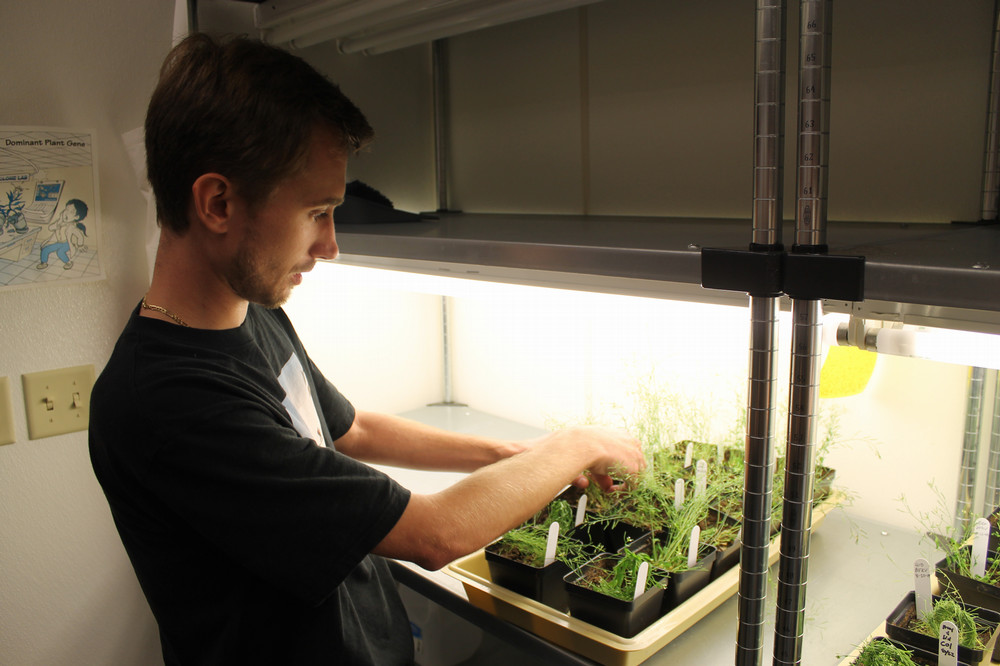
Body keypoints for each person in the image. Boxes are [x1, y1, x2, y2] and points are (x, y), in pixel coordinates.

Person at [88, 33, 644, 666]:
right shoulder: (166, 399)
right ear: (218, 202)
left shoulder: (248, 309)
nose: (330, 245)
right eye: (317, 211)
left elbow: (346, 430)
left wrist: (513, 453)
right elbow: (436, 535)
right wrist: (575, 443)